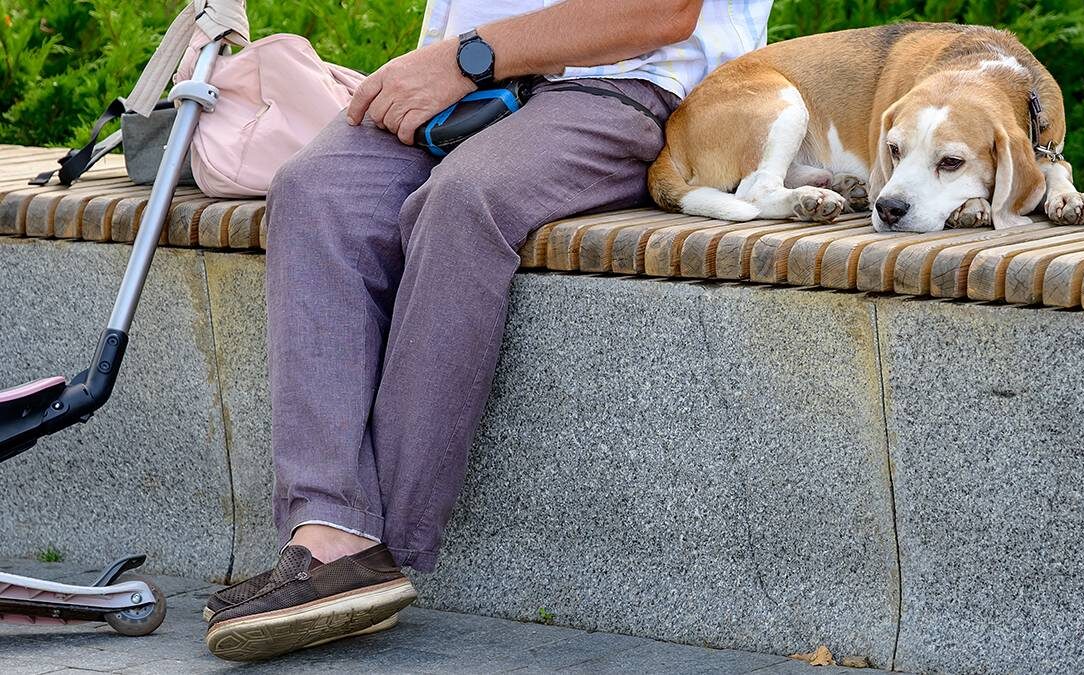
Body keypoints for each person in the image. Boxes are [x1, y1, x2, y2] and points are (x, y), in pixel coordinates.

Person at [203, 0, 773, 661]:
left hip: (624, 84)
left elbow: (663, 11)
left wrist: (467, 57)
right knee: (315, 189)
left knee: (461, 201)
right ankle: (329, 528)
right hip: (461, 87)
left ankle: (370, 547)